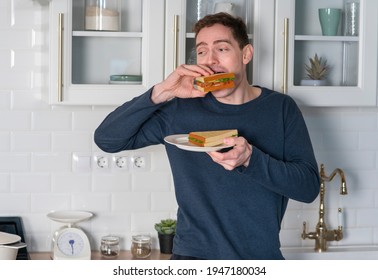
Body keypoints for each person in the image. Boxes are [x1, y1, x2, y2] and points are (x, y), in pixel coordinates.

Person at [94, 13, 320, 260]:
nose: (211, 60)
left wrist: (250, 159)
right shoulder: (180, 109)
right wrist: (162, 91)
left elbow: (308, 188)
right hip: (191, 259)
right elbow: (107, 139)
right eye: (202, 52)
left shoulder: (280, 109)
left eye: (222, 49)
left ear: (246, 54)